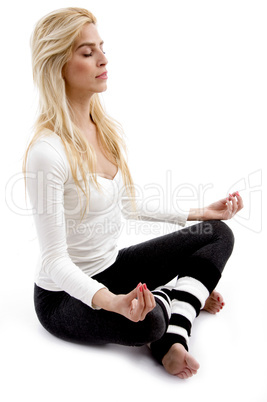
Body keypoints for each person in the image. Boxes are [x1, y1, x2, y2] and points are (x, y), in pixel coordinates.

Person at [23, 7, 243, 379]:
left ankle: (175, 298)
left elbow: (130, 205)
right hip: (64, 297)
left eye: (101, 47)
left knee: (219, 234)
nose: (104, 59)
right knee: (149, 323)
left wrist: (202, 213)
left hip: (112, 267)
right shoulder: (47, 152)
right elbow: (56, 262)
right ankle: (178, 309)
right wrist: (115, 303)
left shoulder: (104, 128)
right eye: (87, 52)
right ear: (58, 64)